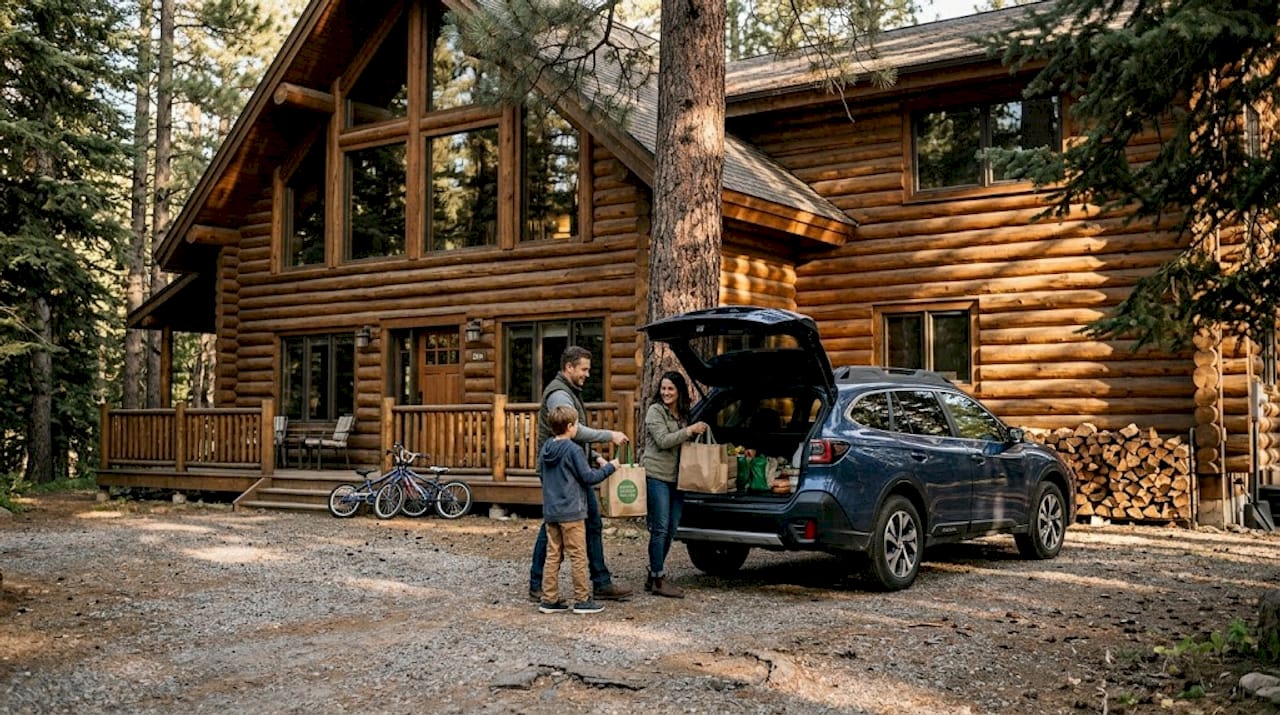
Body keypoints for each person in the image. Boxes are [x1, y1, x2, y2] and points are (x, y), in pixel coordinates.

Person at [528, 346, 633, 602]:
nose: (587, 373)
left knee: (591, 522)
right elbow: (573, 431)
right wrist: (610, 435)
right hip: (561, 474)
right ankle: (537, 583)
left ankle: (600, 582)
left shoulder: (570, 391)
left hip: (571, 468)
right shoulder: (559, 395)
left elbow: (574, 439)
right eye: (584, 369)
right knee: (553, 526)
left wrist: (595, 457)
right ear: (569, 368)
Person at [537, 404, 619, 615]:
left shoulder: (546, 448)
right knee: (578, 555)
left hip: (551, 511)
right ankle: (582, 599)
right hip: (572, 511)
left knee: (553, 555)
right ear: (570, 426)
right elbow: (588, 477)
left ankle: (549, 598)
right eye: (577, 425)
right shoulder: (573, 450)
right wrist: (611, 467)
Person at [642, 371, 708, 598]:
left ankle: (653, 575)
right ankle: (659, 579)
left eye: (670, 389)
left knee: (671, 528)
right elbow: (663, 441)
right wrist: (689, 431)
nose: (666, 393)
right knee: (659, 528)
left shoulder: (682, 414)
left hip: (678, 478)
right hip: (656, 475)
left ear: (679, 390)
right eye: (663, 388)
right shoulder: (654, 411)